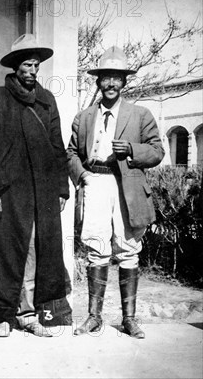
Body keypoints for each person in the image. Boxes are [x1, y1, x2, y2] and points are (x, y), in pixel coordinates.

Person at [0, 34, 69, 338]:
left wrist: (61, 188)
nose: (32, 70)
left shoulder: (46, 100)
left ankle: (28, 313)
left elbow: (58, 147)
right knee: (5, 252)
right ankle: (3, 314)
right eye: (27, 64)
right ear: (15, 67)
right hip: (6, 193)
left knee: (34, 250)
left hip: (41, 193)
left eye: (36, 64)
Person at [68, 46, 164, 339]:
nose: (111, 84)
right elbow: (71, 152)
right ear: (97, 81)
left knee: (128, 246)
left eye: (117, 78)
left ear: (125, 82)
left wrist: (133, 149)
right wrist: (82, 175)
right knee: (96, 246)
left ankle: (129, 319)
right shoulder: (84, 117)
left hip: (128, 185)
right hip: (95, 180)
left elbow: (158, 151)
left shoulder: (140, 114)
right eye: (105, 78)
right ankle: (94, 317)